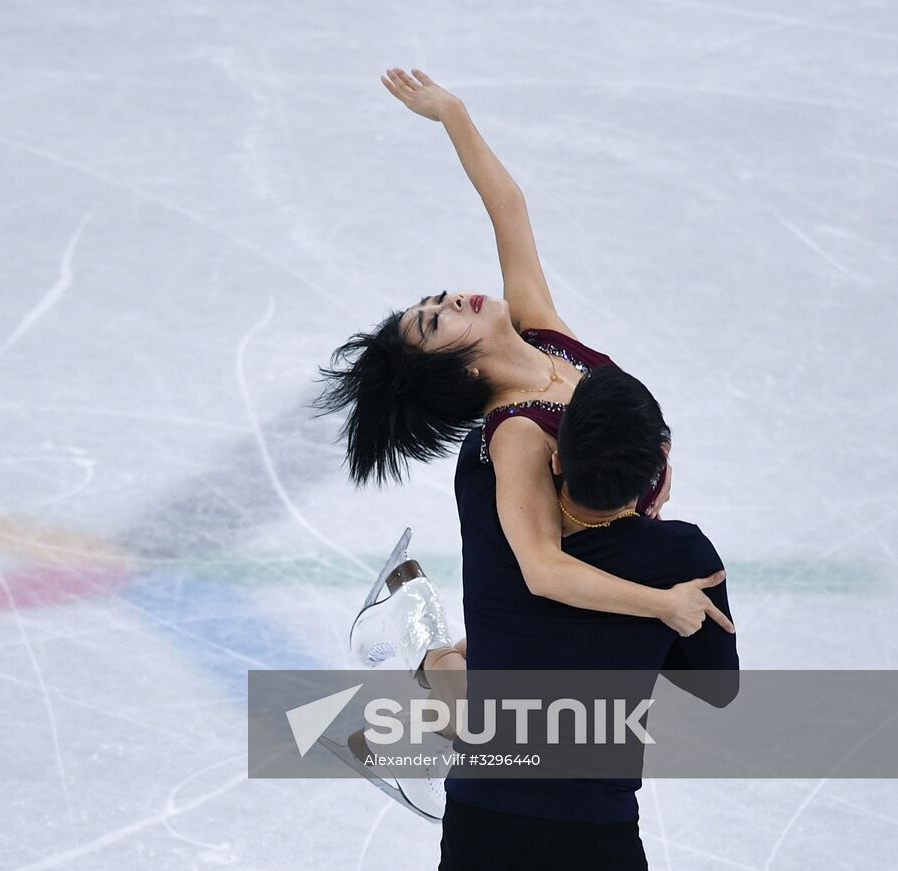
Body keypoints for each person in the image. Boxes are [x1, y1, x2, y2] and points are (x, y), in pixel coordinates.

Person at [314, 67, 734, 665]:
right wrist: (662, 604)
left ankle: (441, 668)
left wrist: (452, 113)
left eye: (436, 299)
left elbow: (507, 207)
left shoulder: (545, 336)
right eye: (437, 322)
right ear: (462, 373)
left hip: (593, 552)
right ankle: (425, 665)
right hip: (559, 567)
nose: (452, 299)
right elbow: (542, 570)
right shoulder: (515, 433)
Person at [436, 363, 739, 871]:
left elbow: (502, 409)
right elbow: (717, 685)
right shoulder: (682, 556)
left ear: (555, 460)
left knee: (451, 662)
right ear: (660, 462)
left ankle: (435, 664)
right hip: (596, 832)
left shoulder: (486, 501)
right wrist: (647, 624)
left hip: (480, 817)